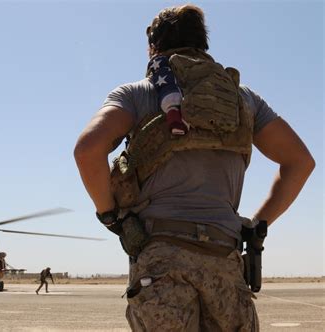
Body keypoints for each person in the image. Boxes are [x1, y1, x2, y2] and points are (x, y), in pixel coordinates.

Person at [74, 4, 314, 331]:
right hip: (224, 261)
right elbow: (300, 162)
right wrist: (257, 226)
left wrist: (112, 216)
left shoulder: (138, 94)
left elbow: (88, 150)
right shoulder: (245, 101)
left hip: (161, 261)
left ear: (153, 48)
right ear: (203, 45)